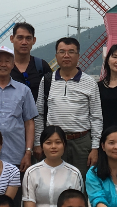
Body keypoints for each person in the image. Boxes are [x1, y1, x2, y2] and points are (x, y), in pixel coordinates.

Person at [38, 37, 103, 178]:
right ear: (56, 56)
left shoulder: (90, 82)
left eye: (71, 52)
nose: (66, 55)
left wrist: (95, 147)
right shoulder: (47, 80)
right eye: (62, 52)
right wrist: (38, 143)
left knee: (81, 182)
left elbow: (96, 117)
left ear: (78, 56)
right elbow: (40, 114)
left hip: (82, 142)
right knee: (54, 181)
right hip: (54, 141)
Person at [0, 22, 54, 136]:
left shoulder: (41, 66)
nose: (24, 42)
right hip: (8, 129)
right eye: (20, 38)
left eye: (28, 38)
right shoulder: (0, 68)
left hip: (38, 128)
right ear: (12, 39)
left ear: (34, 40)